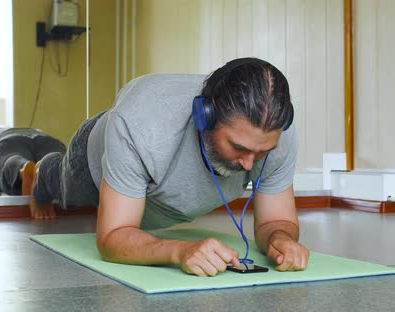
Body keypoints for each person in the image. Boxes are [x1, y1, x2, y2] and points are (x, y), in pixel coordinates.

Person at [31, 57, 310, 276]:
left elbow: (276, 220)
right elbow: (113, 236)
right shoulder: (139, 125)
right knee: (60, 184)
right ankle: (37, 171)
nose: (249, 164)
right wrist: (180, 252)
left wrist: (281, 239)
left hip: (159, 183)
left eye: (262, 152)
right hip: (91, 164)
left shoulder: (275, 135)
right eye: (239, 147)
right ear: (205, 117)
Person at [0, 127, 66, 201]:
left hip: (9, 141)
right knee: (57, 170)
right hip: (46, 140)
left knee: (10, 160)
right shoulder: (32, 130)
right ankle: (40, 169)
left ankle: (22, 168)